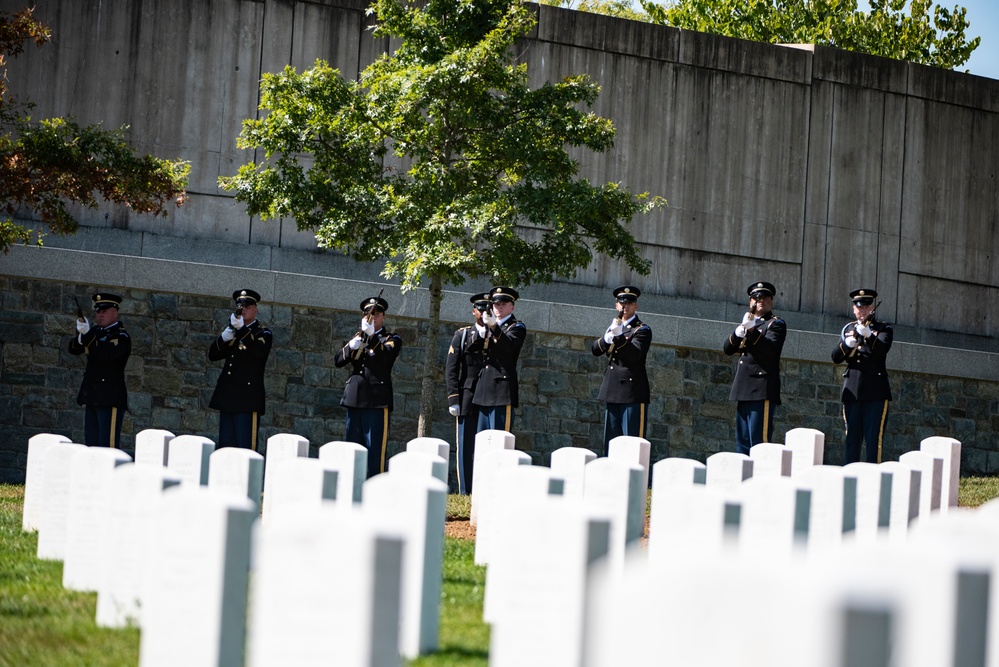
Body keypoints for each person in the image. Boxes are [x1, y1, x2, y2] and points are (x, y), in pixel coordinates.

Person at [334, 295, 403, 478]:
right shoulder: (359, 336)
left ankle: (375, 490)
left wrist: (371, 337)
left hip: (376, 401)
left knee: (375, 453)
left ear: (383, 317)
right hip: (354, 398)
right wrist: (351, 347)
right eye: (368, 314)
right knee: (352, 449)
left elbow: (385, 358)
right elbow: (338, 361)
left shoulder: (391, 338)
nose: (372, 317)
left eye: (377, 313)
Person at [722, 281, 786, 455]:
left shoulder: (775, 324)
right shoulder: (747, 323)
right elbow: (728, 349)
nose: (761, 301)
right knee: (742, 444)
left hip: (761, 388)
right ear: (750, 301)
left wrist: (752, 331)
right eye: (756, 298)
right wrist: (738, 333)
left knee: (759, 445)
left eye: (765, 297)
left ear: (771, 301)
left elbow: (770, 350)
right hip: (743, 387)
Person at [832, 288, 893, 464]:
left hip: (875, 392)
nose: (862, 310)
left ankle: (874, 480)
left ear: (872, 307)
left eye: (866, 306)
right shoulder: (848, 329)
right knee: (852, 440)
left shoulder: (883, 329)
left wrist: (869, 337)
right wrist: (847, 344)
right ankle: (850, 478)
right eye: (859, 307)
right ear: (853, 309)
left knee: (874, 441)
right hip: (852, 390)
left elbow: (882, 349)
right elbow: (836, 357)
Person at [207, 289, 273, 451]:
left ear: (256, 309)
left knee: (245, 448)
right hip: (228, 397)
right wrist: (224, 337)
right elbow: (213, 355)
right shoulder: (235, 332)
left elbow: (259, 353)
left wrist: (242, 330)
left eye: (248, 305)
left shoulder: (262, 333)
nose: (243, 308)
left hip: (247, 399)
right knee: (225, 448)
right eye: (240, 305)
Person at [591, 285, 652, 456]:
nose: (625, 305)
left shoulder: (642, 330)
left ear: (636, 306)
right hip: (612, 390)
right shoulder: (613, 326)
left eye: (630, 302)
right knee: (611, 442)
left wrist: (618, 338)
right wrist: (606, 338)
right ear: (616, 305)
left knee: (632, 443)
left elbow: (634, 355)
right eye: (621, 302)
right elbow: (595, 349)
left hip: (632, 392)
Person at [69, 292, 131, 448]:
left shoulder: (121, 336)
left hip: (109, 398)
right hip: (92, 396)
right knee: (92, 446)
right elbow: (74, 349)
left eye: (104, 311)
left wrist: (88, 335)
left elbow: (105, 354)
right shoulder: (95, 332)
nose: (100, 315)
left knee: (107, 447)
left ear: (115, 313)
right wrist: (81, 335)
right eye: (98, 312)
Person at [445, 292, 489, 494]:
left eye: (487, 309)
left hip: (489, 394)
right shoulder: (462, 335)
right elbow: (451, 369)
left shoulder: (497, 334)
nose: (484, 313)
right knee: (465, 446)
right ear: (473, 312)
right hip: (467, 397)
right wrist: (453, 398)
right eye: (480, 309)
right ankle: (465, 491)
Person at [472, 286, 527, 433]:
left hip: (502, 391)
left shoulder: (516, 327)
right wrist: (481, 331)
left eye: (504, 304)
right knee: (482, 441)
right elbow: (473, 350)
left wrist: (494, 327)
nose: (499, 307)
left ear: (512, 307)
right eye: (496, 304)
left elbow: (509, 346)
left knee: (500, 440)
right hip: (484, 389)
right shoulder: (488, 326)